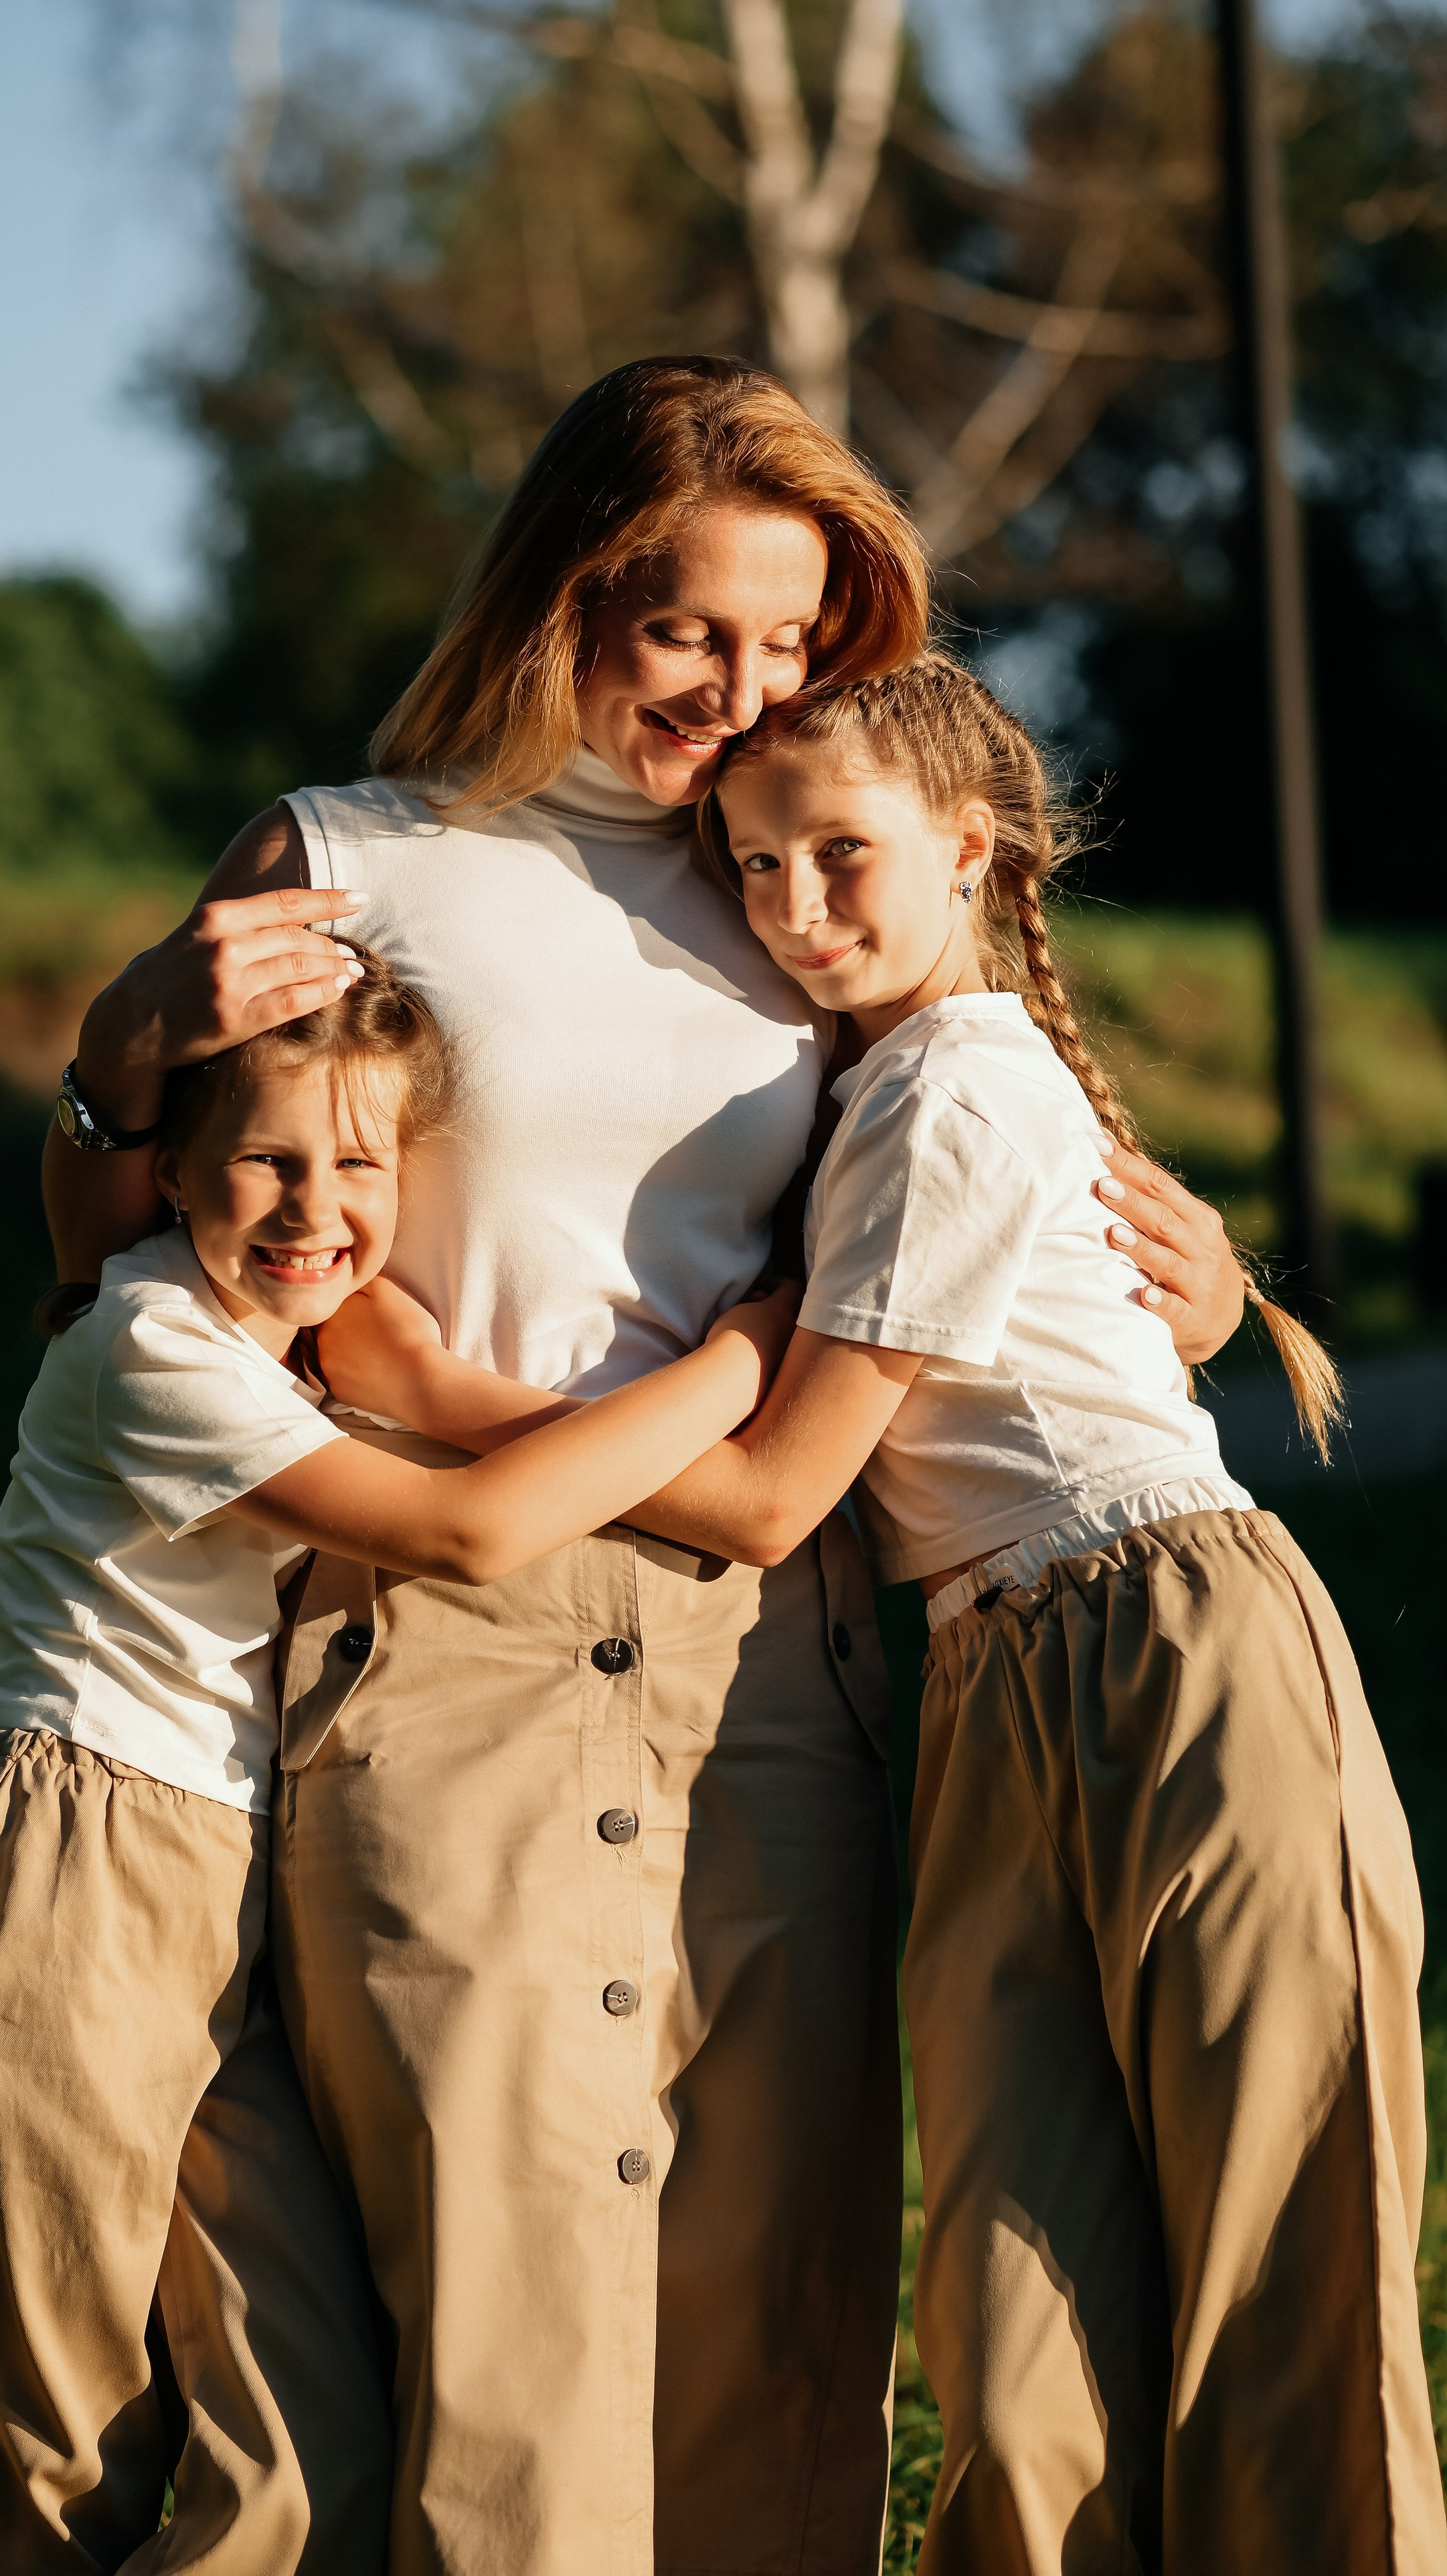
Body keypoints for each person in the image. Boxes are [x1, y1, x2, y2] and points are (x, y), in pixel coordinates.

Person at [44, 358, 1250, 2576]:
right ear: (563, 587)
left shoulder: (800, 887)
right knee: (504, 2360)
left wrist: (1188, 1278)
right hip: (439, 1649)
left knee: (769, 2338)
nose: (749, 681)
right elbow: (127, 1257)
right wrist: (126, 1056)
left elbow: (981, 1142)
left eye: (795, 639)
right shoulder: (354, 854)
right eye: (694, 622)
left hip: (762, 1676)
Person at [421, 651, 1426, 2576]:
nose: (795, 907)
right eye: (754, 866)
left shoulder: (959, 1082)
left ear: (969, 847)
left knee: (1289, 2272)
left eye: (840, 855)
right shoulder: (876, 1090)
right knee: (1012, 2316)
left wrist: (454, 1398)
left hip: (1177, 1652)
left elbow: (781, 1489)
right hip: (985, 1689)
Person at [0, 952, 795, 2572]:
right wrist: (740, 1367)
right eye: (267, 1160)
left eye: (360, 1164)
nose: (315, 1205)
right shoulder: (148, 1343)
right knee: (49, 2457)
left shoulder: (281, 1349)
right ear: (169, 1172)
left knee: (303, 2449)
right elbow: (467, 1528)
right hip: (73, 1862)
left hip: (230, 1878)